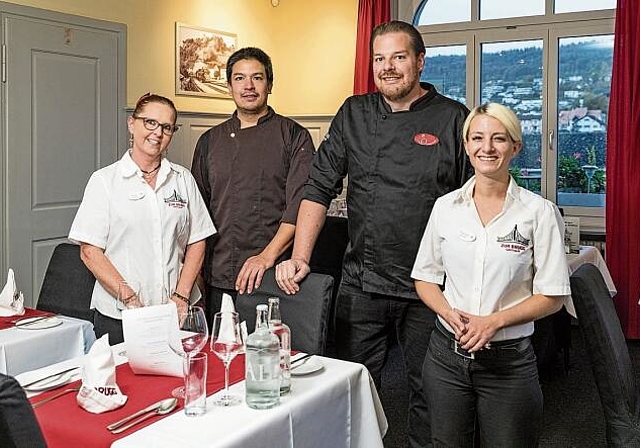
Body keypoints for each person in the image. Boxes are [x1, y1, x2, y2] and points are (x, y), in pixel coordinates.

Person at [275, 21, 472, 447]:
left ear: (420, 61)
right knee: (352, 384)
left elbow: (474, 203)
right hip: (363, 281)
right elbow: (319, 187)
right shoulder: (354, 113)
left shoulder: (453, 118)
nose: (388, 68)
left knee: (430, 390)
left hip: (430, 285)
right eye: (379, 59)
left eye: (398, 57)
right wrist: (302, 256)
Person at [411, 103, 571, 447]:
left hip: (509, 364)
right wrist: (447, 313)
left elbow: (553, 295)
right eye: (478, 138)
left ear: (515, 146)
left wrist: (494, 322)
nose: (487, 147)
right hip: (445, 357)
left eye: (499, 139)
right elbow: (424, 278)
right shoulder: (446, 207)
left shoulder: (538, 213)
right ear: (466, 145)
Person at [69, 93, 216, 344]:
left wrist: (181, 298)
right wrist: (130, 299)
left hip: (177, 313)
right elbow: (90, 252)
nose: (157, 133)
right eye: (150, 123)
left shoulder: (183, 179)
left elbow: (197, 240)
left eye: (166, 127)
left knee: (182, 379)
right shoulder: (104, 181)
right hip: (121, 316)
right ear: (131, 123)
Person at [191, 47, 314, 327]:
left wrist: (265, 257)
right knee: (222, 354)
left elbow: (301, 205)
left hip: (274, 274)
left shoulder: (294, 136)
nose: (248, 86)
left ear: (269, 84)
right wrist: (195, 273)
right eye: (239, 78)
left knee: (268, 358)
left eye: (257, 78)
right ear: (229, 86)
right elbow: (196, 212)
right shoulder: (210, 141)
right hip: (219, 272)